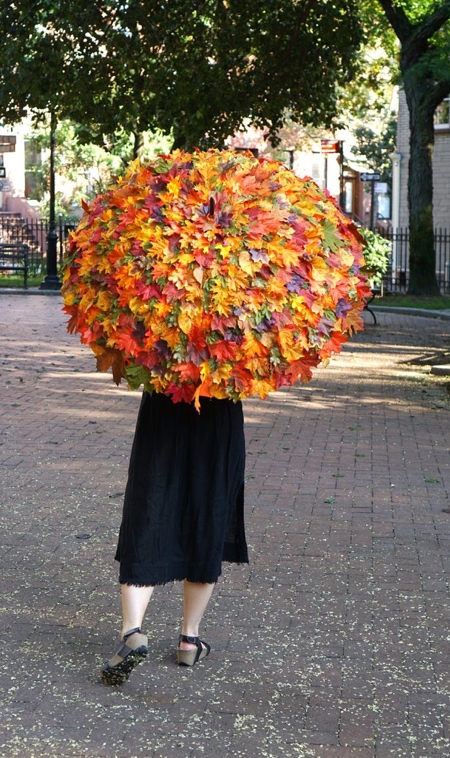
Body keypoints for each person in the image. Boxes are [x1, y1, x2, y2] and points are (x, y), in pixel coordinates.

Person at [101, 390, 248, 684]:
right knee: (208, 514)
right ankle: (189, 641)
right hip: (218, 410)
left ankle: (132, 632)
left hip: (164, 402)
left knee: (148, 510)